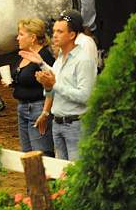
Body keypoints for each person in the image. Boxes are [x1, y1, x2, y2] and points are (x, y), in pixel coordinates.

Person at [32, 9, 97, 161]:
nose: (54, 35)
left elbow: (85, 96)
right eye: (54, 31)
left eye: (60, 31)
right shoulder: (60, 59)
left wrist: (53, 84)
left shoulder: (84, 60)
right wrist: (45, 78)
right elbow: (54, 89)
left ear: (72, 35)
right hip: (58, 123)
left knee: (75, 175)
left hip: (76, 125)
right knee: (61, 175)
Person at [5, 18, 55, 155]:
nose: (17, 38)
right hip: (22, 107)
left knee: (41, 154)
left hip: (38, 107)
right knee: (27, 154)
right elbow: (27, 79)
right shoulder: (25, 55)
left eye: (21, 34)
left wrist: (45, 112)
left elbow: (51, 84)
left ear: (32, 37)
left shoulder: (44, 57)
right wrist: (13, 83)